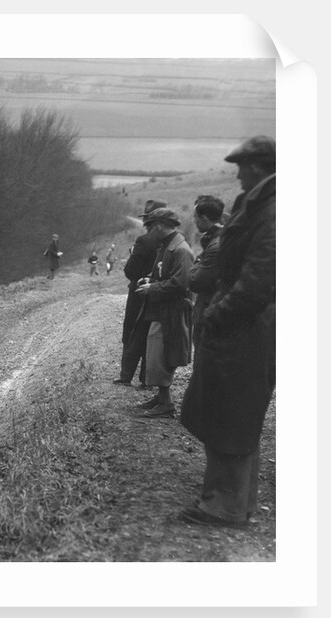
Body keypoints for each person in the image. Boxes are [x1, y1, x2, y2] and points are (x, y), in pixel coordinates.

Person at [178, 136, 275, 527]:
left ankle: (224, 506)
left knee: (232, 413)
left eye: (241, 168)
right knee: (232, 410)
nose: (236, 175)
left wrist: (218, 314)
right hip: (247, 324)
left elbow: (259, 278)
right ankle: (236, 501)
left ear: (255, 168)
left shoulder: (272, 209)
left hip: (247, 326)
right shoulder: (261, 203)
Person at [134, 207, 194, 418]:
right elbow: (164, 273)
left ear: (159, 226)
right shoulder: (166, 246)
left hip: (172, 312)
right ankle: (161, 397)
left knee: (163, 354)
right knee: (156, 353)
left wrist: (153, 288)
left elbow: (181, 284)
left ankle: (166, 403)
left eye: (151, 226)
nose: (149, 231)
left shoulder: (181, 250)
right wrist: (151, 279)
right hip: (162, 310)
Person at [112, 199, 165, 387]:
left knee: (132, 330)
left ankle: (126, 375)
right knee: (151, 334)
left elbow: (130, 271)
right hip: (161, 292)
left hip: (139, 292)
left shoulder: (144, 240)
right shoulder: (171, 240)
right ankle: (146, 378)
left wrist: (134, 254)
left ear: (147, 220)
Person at [188, 195, 226, 350]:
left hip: (209, 311)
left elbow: (195, 281)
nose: (194, 221)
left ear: (203, 218)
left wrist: (197, 262)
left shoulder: (215, 245)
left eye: (195, 217)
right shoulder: (217, 239)